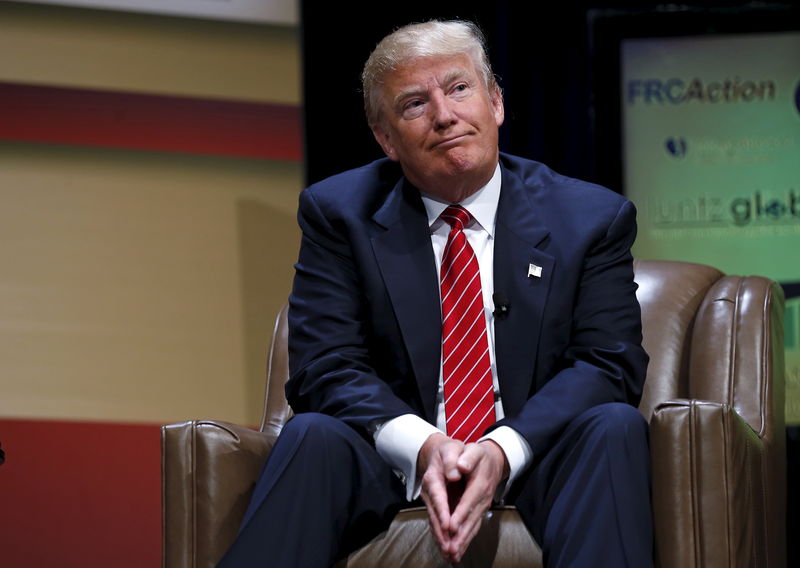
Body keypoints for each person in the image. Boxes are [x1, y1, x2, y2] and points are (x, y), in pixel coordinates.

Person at [217, 19, 653, 568]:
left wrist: (502, 449)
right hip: (393, 461)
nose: (445, 116)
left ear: (495, 103)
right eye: (415, 104)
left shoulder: (589, 218)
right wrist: (423, 446)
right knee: (312, 435)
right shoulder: (339, 214)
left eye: (459, 88)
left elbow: (608, 363)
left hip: (540, 456)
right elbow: (324, 367)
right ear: (385, 138)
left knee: (612, 426)